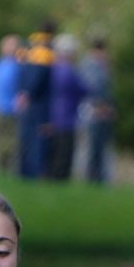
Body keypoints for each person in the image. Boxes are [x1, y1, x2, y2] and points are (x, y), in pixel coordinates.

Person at [16, 22, 56, 179]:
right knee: (37, 140)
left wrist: (22, 94)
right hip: (37, 103)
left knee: (25, 138)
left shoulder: (27, 50)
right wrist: (29, 94)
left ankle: (23, 171)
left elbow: (20, 71)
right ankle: (34, 172)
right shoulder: (45, 53)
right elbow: (39, 76)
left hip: (26, 101)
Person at [48, 33, 87, 181]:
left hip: (55, 114)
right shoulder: (68, 70)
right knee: (65, 151)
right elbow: (82, 89)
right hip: (67, 116)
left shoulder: (54, 68)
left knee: (56, 150)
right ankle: (61, 178)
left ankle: (54, 176)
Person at [80, 37, 115, 184]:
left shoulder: (101, 65)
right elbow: (92, 89)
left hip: (103, 112)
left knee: (101, 147)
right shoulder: (90, 66)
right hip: (94, 111)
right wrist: (100, 107)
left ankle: (99, 178)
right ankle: (92, 178)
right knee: (93, 147)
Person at [0, 35, 22, 172]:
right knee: (0, 143)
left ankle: (11, 171)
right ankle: (0, 169)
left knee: (13, 144)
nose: (12, 48)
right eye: (10, 45)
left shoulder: (19, 66)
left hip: (14, 111)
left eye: (15, 45)